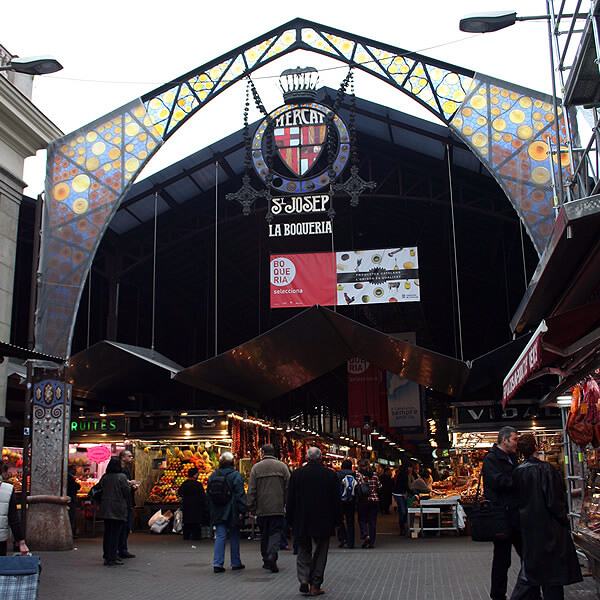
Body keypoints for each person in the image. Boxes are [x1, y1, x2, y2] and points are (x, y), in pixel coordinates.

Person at [510, 434, 582, 600]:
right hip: (551, 528)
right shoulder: (548, 469)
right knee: (553, 575)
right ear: (536, 447)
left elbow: (516, 500)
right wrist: (564, 519)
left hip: (529, 528)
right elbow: (554, 500)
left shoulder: (517, 473)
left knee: (533, 569)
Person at [287, 446, 341, 596]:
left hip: (302, 517)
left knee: (303, 549)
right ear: (321, 458)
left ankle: (304, 578)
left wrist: (290, 519)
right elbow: (336, 500)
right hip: (323, 518)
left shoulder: (297, 474)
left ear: (306, 458)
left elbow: (290, 499)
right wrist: (338, 520)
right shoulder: (330, 475)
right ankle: (315, 584)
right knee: (321, 551)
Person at [482, 426, 521, 600]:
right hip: (501, 517)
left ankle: (529, 592)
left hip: (516, 515)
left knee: (527, 556)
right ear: (504, 440)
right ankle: (498, 595)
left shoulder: (513, 457)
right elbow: (498, 481)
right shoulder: (491, 459)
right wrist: (520, 481)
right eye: (514, 439)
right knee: (502, 560)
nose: (516, 443)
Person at [247, 443, 290, 573]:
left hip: (262, 508)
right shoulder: (282, 467)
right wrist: (287, 503)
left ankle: (266, 559)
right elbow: (289, 487)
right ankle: (272, 555)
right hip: (277, 507)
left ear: (262, 453)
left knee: (264, 533)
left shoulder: (256, 468)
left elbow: (251, 490)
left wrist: (251, 506)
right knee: (275, 532)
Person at [206, 452, 246, 573]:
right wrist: (242, 510)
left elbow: (208, 494)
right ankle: (235, 562)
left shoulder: (213, 475)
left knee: (220, 535)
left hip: (218, 509)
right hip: (232, 509)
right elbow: (240, 494)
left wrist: (211, 508)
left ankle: (217, 563)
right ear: (232, 462)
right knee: (234, 535)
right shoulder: (235, 475)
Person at [98, 456, 131, 566]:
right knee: (115, 533)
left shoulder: (105, 477)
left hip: (106, 508)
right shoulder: (121, 477)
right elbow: (126, 492)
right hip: (117, 508)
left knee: (107, 533)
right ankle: (112, 557)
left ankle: (107, 555)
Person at [0, 465, 29, 556]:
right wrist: (21, 542)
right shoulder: (7, 490)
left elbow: (14, 518)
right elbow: (13, 518)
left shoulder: (7, 489)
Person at [356, 458, 381, 549]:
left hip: (363, 500)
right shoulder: (374, 475)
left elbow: (356, 487)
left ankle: (366, 535)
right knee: (372, 521)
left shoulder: (359, 476)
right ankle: (372, 542)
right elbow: (379, 486)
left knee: (362, 519)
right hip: (374, 500)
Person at [177, 467, 208, 541]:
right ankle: (196, 536)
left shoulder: (185, 484)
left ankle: (186, 536)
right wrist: (205, 505)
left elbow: (179, 493)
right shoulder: (198, 485)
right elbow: (202, 495)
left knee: (187, 521)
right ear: (195, 475)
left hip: (187, 505)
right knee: (196, 522)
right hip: (197, 506)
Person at [118, 449, 138, 559]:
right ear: (123, 458)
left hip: (127, 503)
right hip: (123, 504)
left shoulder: (126, 470)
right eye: (129, 456)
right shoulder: (120, 472)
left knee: (125, 528)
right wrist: (130, 485)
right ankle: (121, 550)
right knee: (123, 528)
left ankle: (122, 549)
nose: (131, 458)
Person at [336, 459, 356, 548]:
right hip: (351, 500)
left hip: (340, 500)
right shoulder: (354, 474)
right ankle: (351, 542)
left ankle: (342, 538)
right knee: (350, 521)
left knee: (339, 520)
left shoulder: (338, 474)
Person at [67, 465, 80, 536]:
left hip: (70, 497)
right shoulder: (69, 478)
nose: (75, 471)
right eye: (74, 470)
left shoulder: (69, 477)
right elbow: (76, 486)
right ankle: (71, 532)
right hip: (71, 498)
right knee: (71, 515)